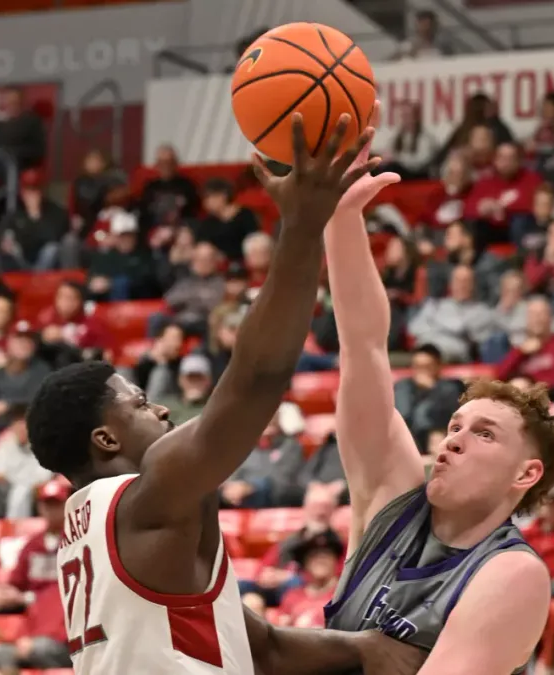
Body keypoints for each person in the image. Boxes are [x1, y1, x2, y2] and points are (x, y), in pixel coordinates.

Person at [27, 113, 423, 674]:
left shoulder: (86, 527)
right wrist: (302, 226)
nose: (160, 408)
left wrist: (369, 650)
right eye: (139, 404)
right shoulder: (148, 498)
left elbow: (260, 647)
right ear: (105, 438)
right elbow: (254, 383)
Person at [321, 103, 554, 674]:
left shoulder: (512, 573)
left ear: (526, 474)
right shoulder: (389, 503)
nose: (451, 441)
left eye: (483, 434)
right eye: (454, 427)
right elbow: (365, 349)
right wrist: (338, 219)